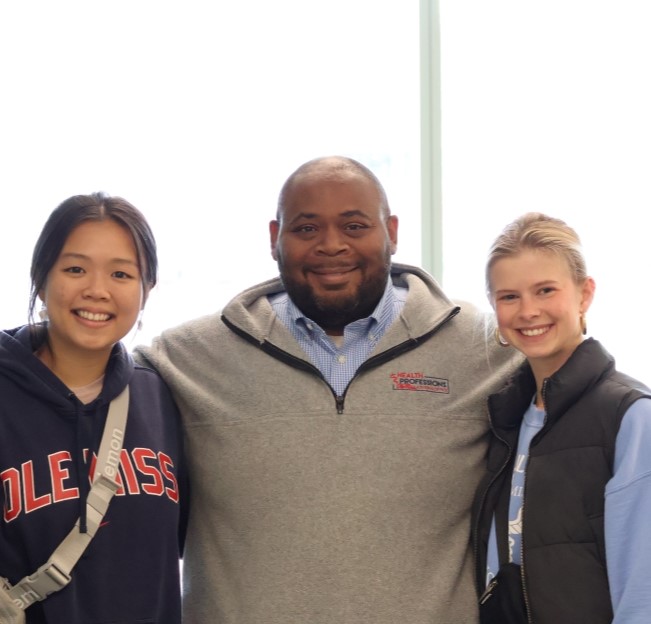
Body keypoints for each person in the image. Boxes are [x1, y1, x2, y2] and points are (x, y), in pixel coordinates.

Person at [135, 155, 521, 624]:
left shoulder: (485, 350)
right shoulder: (185, 358)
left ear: (392, 231)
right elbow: (78, 381)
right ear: (275, 237)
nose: (331, 246)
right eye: (306, 229)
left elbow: (582, 400)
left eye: (355, 226)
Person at [0, 193, 187, 623]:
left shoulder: (161, 399)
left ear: (146, 291)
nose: (97, 290)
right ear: (40, 278)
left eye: (121, 274)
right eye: (75, 269)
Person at [472, 212, 651, 623]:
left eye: (545, 290)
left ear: (584, 294)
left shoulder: (630, 416)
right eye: (509, 296)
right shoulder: (505, 419)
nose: (528, 311)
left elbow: (642, 589)